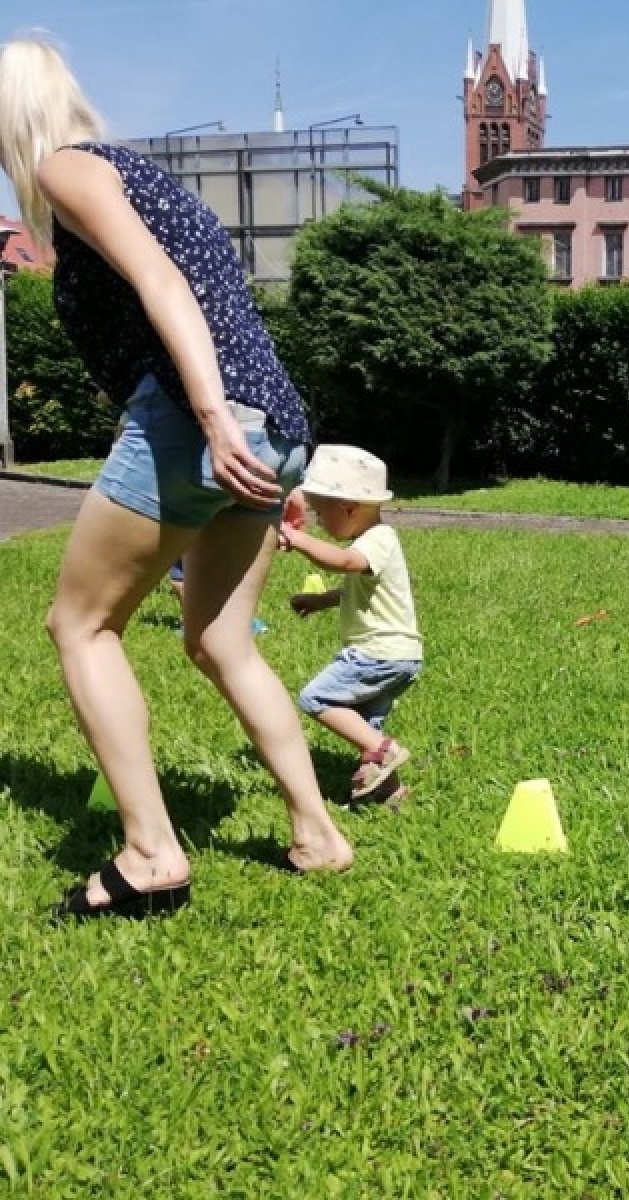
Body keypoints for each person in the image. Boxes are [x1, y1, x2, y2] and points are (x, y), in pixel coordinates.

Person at [0, 36, 353, 918]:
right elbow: (217, 301)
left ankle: (153, 854)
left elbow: (165, 286)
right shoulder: (139, 174)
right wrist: (265, 447)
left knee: (80, 625)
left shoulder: (65, 170)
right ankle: (318, 832)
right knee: (222, 641)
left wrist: (211, 418)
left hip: (203, 421)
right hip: (274, 421)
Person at [280, 446, 422, 804]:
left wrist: (298, 539)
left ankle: (385, 751)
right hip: (398, 656)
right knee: (366, 726)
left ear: (347, 508)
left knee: (316, 697)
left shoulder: (378, 539)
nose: (319, 523)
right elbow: (356, 590)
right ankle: (389, 793)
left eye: (320, 513)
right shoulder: (372, 541)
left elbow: (344, 562)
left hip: (378, 654)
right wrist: (321, 601)